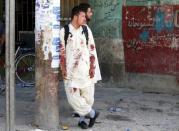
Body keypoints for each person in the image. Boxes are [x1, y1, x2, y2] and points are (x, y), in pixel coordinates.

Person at [60, 6, 101, 129]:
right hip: (71, 73)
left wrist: (93, 68)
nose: (85, 18)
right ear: (75, 16)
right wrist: (63, 69)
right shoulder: (64, 31)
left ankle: (82, 120)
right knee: (73, 99)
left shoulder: (86, 30)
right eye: (82, 16)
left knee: (88, 98)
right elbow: (61, 52)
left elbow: (92, 49)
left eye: (85, 16)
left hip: (86, 71)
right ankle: (93, 113)